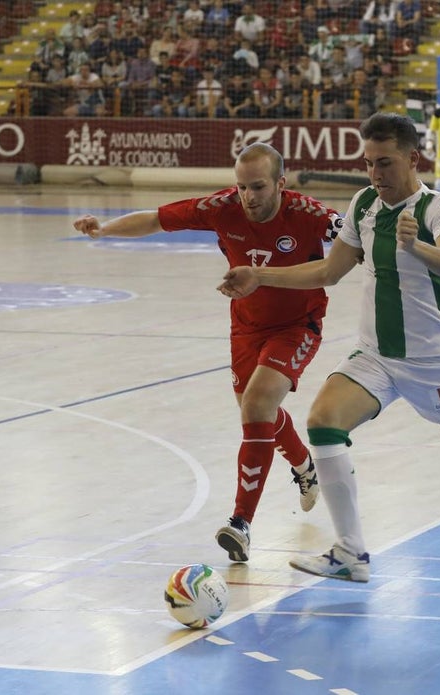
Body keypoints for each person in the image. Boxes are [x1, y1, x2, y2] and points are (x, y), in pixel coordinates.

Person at [216, 113, 440, 583]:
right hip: (375, 356)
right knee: (322, 423)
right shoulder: (362, 205)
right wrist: (261, 276)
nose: (376, 174)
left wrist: (418, 246)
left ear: (412, 159)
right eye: (369, 164)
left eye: (386, 164)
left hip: (435, 363)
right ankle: (351, 552)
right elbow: (327, 273)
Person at [72, 144, 338, 564]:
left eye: (258, 187)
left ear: (281, 184)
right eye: (242, 186)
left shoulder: (309, 215)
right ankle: (305, 467)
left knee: (256, 403)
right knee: (257, 412)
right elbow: (155, 220)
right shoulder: (222, 207)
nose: (248, 196)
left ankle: (241, 523)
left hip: (298, 323)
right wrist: (103, 228)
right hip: (246, 326)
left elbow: (357, 243)